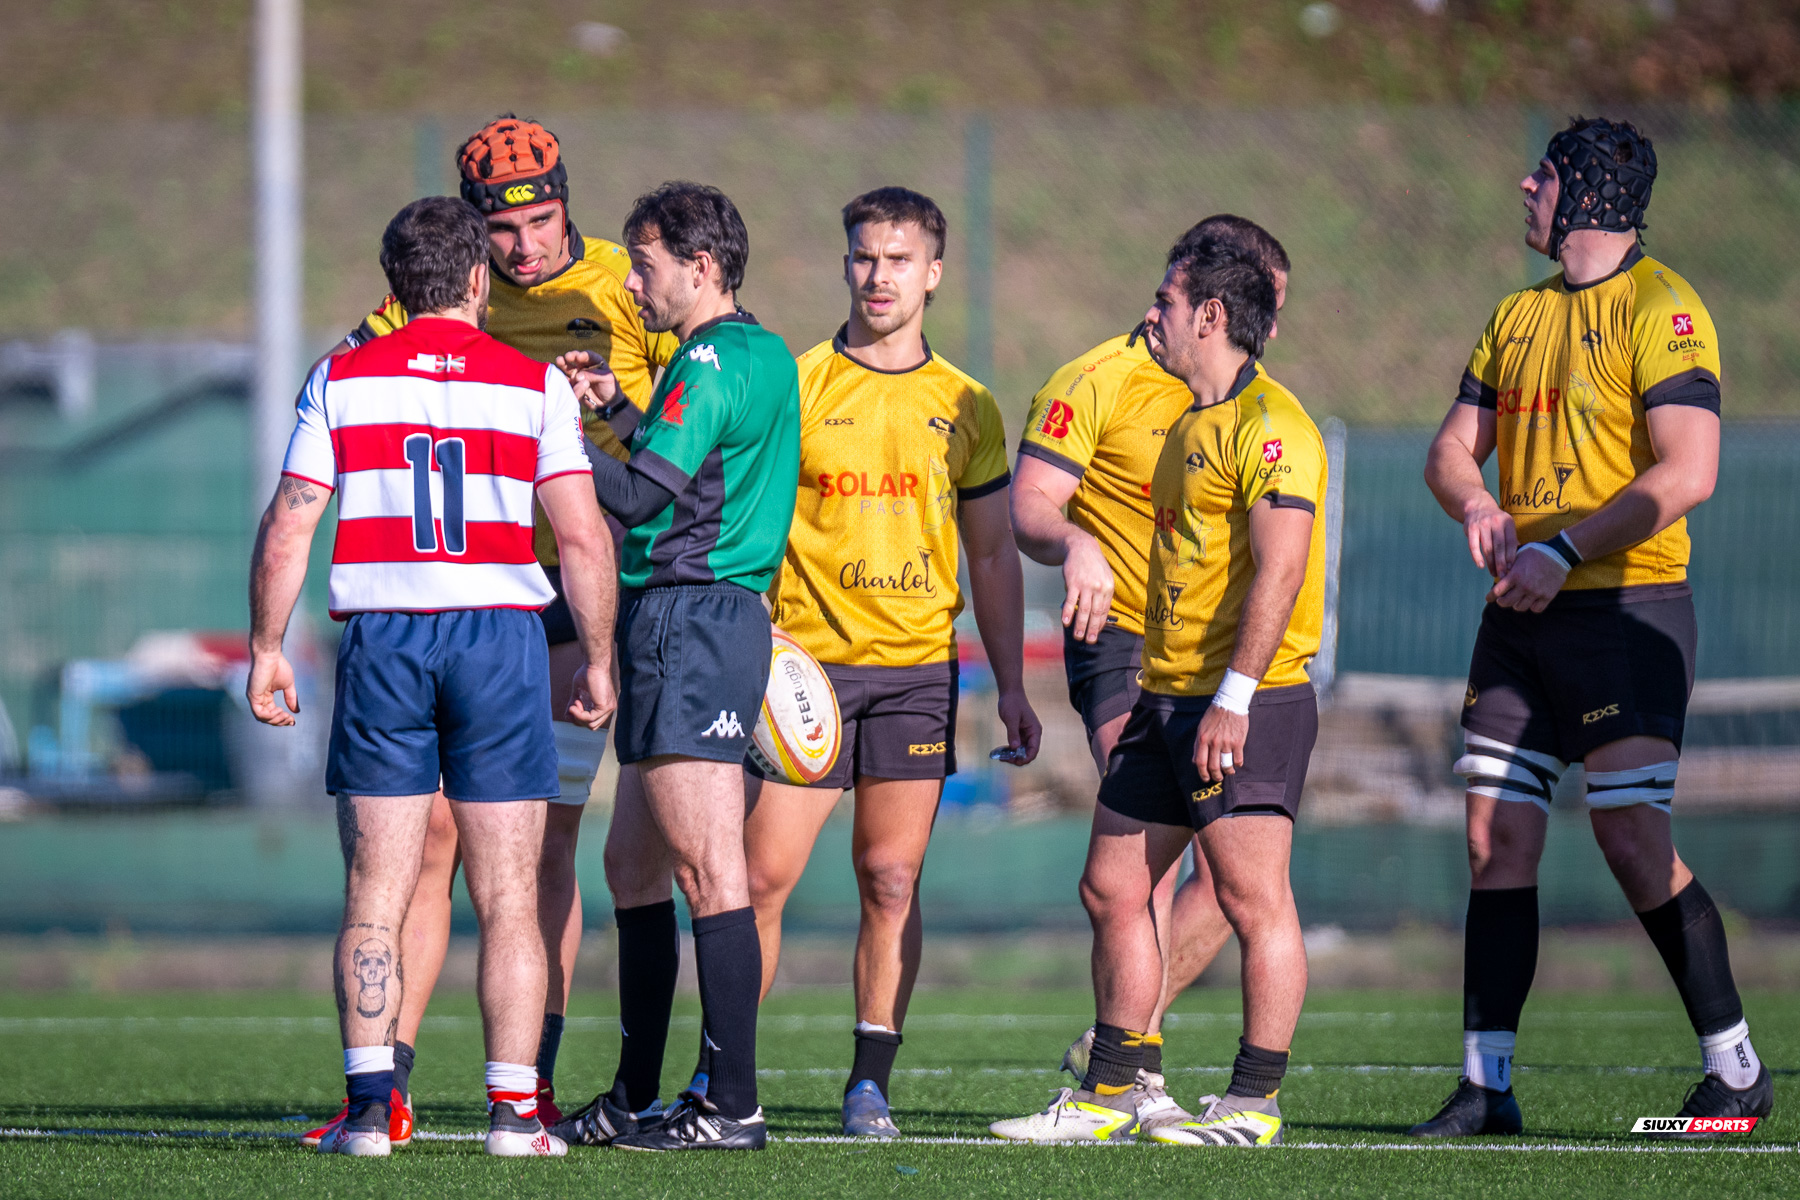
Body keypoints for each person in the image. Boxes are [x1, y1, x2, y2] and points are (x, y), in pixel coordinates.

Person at [299, 114, 677, 1149]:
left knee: (537, 844)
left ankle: (530, 1084)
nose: (523, 249)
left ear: (568, 202)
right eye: (501, 234)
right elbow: (355, 369)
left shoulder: (623, 287)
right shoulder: (427, 301)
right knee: (419, 845)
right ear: (472, 243)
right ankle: (388, 1086)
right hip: (464, 595)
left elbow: (693, 412)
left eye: (542, 222)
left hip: (571, 590)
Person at [1413, 117, 1770, 1139]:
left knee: (1629, 836)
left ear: (1592, 197)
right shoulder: (1514, 315)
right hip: (1521, 615)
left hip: (1625, 609)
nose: (1527, 184)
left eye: (1548, 174)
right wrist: (1475, 506)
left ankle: (1736, 1071)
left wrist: (1562, 548)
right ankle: (1488, 1087)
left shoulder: (1667, 308)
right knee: (1494, 835)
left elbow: (1687, 473)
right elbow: (1450, 449)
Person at [247, 196, 617, 1157]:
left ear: (394, 285)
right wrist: (602, 659)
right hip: (500, 640)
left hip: (384, 639)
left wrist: (265, 645)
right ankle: (515, 1113)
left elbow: (293, 519)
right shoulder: (532, 383)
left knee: (378, 887)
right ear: (476, 279)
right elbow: (580, 535)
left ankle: (373, 1111)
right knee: (510, 892)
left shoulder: (341, 376)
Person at [992, 232, 1324, 1147]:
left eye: (1169, 302)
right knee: (1111, 885)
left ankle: (1253, 1103)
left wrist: (1236, 695)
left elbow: (1283, 571)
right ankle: (1113, 1091)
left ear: (1210, 316)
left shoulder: (1275, 428)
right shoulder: (1186, 426)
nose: (1155, 314)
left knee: (1254, 898)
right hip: (1164, 696)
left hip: (1236, 701)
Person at [736, 186, 1042, 1138]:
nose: (879, 275)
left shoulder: (968, 405)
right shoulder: (796, 382)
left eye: (899, 259)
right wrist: (756, 633)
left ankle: (869, 1079)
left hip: (917, 672)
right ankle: (727, 1079)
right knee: (757, 879)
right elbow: (750, 526)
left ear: (933, 274)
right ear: (845, 264)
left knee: (891, 879)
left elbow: (991, 554)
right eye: (865, 256)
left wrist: (1015, 687)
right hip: (805, 671)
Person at [555, 181, 801, 1152]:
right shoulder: (758, 350)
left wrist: (553, 433)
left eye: (645, 262)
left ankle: (731, 1104)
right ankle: (634, 1095)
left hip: (689, 622)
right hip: (710, 619)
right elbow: (685, 469)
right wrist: (612, 404)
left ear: (700, 266)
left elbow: (641, 500)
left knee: (711, 872)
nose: (630, 279)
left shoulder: (703, 355)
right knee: (633, 868)